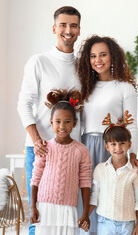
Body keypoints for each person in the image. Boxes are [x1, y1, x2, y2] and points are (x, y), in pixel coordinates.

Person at [17, 6, 81, 235]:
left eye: (73, 25)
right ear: (54, 28)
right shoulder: (39, 61)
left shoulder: (83, 66)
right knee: (38, 217)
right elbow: (23, 104)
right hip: (41, 150)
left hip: (70, 151)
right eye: (63, 25)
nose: (68, 30)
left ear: (79, 30)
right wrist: (36, 140)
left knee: (66, 216)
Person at [76, 35, 138, 234]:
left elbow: (131, 124)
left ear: (112, 57)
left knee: (110, 196)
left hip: (112, 148)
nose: (98, 60)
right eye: (93, 56)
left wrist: (132, 156)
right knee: (87, 196)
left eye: (103, 55)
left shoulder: (125, 88)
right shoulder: (85, 87)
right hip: (86, 146)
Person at [30, 89, 91, 235]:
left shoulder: (81, 150)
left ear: (74, 123)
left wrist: (85, 213)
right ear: (51, 122)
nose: (62, 126)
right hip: (45, 207)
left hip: (68, 208)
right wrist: (33, 207)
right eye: (58, 122)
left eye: (67, 122)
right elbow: (35, 178)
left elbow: (85, 182)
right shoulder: (45, 148)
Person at [81, 111, 138, 235]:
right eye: (113, 144)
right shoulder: (100, 169)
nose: (118, 148)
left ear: (129, 144)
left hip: (128, 225)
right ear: (107, 146)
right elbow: (94, 198)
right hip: (104, 223)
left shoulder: (135, 171)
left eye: (122, 143)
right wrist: (86, 216)